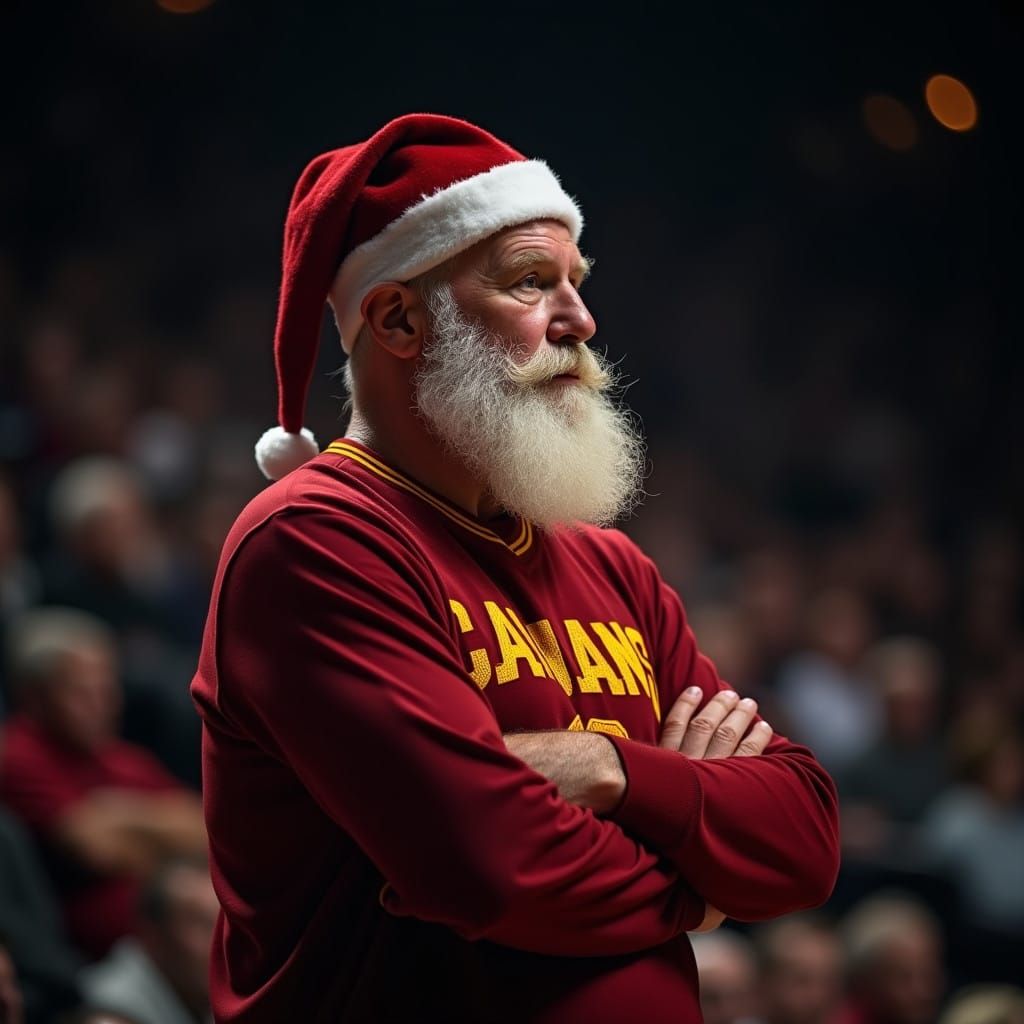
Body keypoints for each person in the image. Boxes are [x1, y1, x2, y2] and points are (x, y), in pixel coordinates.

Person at [191, 113, 840, 1023]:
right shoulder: (315, 539)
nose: (581, 318)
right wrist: (700, 884)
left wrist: (612, 769)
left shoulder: (610, 562)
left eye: (576, 281)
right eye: (533, 283)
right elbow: (491, 866)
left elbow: (806, 835)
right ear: (400, 318)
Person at [0, 607, 206, 959]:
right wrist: (162, 839)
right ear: (34, 697)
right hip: (90, 961)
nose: (103, 704)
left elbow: (204, 829)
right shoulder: (17, 755)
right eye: (81, 693)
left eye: (108, 689)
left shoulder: (123, 758)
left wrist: (117, 813)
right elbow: (95, 847)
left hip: (166, 947)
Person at [79, 855, 217, 1024]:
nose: (220, 941)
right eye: (202, 924)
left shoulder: (202, 998)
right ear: (154, 936)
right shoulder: (106, 1008)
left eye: (223, 924)